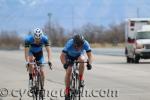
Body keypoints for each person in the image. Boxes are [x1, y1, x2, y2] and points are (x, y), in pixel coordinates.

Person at [60, 34, 93, 100]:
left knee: (82, 60)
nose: (78, 48)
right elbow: (62, 56)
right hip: (69, 57)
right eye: (76, 46)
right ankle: (67, 91)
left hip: (79, 56)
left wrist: (89, 63)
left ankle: (81, 78)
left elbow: (90, 56)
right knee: (69, 70)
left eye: (80, 46)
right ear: (74, 43)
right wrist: (64, 64)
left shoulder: (85, 43)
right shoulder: (69, 43)